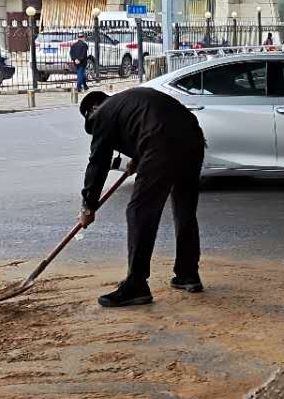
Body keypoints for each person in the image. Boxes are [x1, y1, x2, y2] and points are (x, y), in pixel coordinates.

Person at [78, 87, 205, 307]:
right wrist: (138, 158)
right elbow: (151, 122)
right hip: (193, 138)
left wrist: (88, 206)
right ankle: (188, 273)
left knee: (139, 211)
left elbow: (98, 162)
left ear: (92, 112)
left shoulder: (103, 114)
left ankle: (136, 284)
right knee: (184, 207)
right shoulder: (126, 102)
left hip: (162, 143)